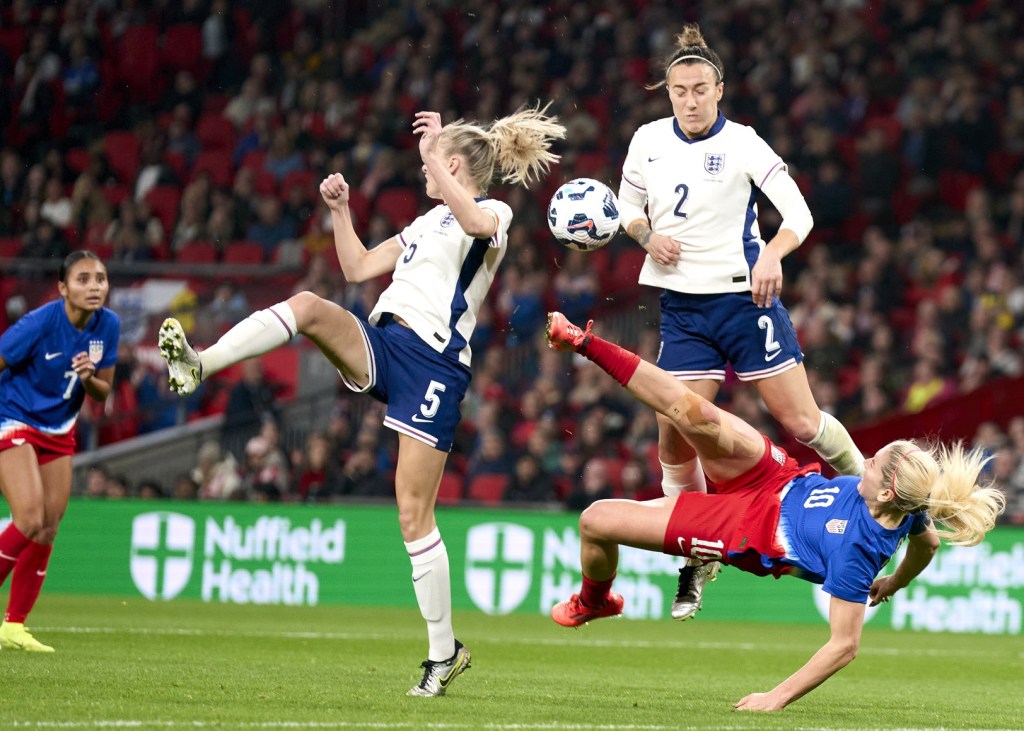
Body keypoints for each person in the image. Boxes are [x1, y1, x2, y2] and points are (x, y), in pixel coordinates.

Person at [157, 106, 565, 695]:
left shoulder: (492, 211)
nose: (421, 169)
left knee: (411, 514)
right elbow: (355, 267)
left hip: (435, 367)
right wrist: (340, 210)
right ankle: (200, 364)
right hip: (387, 341)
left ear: (450, 162)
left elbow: (474, 223)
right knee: (308, 305)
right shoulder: (426, 224)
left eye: (431, 159)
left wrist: (432, 161)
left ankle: (443, 651)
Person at [544, 311, 1004, 711]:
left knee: (594, 521)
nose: (861, 462)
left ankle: (595, 601)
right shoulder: (910, 508)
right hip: (773, 476)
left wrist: (775, 696)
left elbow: (844, 647)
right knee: (689, 410)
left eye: (872, 464)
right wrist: (896, 582)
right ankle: (583, 342)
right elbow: (928, 543)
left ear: (884, 494)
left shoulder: (856, 553)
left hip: (742, 529)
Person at [617, 24, 866, 620]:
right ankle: (695, 559)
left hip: (744, 304)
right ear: (668, 92)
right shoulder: (647, 140)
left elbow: (799, 213)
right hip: (683, 309)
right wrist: (647, 235)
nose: (691, 100)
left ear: (720, 89)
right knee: (674, 432)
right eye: (680, 90)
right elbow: (624, 209)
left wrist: (773, 254)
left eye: (701, 89)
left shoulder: (746, 143)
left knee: (802, 422)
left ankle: (870, 487)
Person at [0, 251, 120, 651]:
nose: (94, 286)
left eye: (100, 279)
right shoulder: (39, 323)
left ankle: (14, 626)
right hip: (14, 418)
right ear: (63, 288)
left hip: (59, 429)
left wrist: (89, 378)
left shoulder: (109, 326)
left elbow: (104, 391)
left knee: (48, 527)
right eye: (83, 279)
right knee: (29, 516)